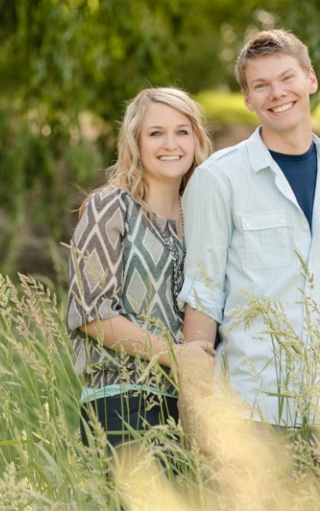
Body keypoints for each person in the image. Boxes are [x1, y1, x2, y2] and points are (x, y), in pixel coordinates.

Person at [178, 29, 320, 431]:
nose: (277, 93)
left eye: (287, 78)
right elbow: (203, 294)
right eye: (261, 85)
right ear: (247, 98)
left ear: (310, 79)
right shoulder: (219, 179)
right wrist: (198, 419)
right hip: (251, 412)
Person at [66, 87, 215, 449]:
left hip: (189, 409)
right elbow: (90, 313)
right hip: (121, 402)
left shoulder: (202, 220)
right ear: (135, 142)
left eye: (182, 131)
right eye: (156, 133)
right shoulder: (110, 206)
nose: (171, 143)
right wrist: (176, 356)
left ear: (196, 140)